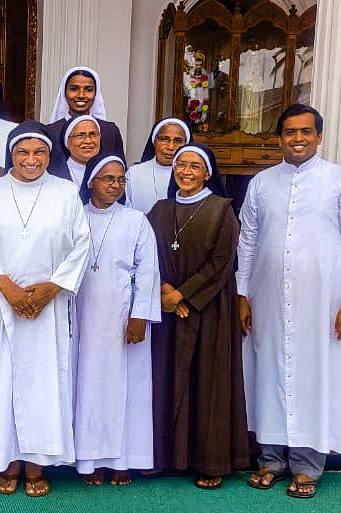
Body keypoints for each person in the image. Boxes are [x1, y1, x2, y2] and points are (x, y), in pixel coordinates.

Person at [238, 104, 341, 499]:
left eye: (306, 132)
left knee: (315, 375)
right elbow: (247, 241)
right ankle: (272, 459)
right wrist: (242, 293)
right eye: (290, 132)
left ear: (319, 136)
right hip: (268, 299)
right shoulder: (262, 183)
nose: (298, 139)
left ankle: (308, 465)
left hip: (324, 304)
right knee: (269, 372)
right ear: (279, 138)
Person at [0, 122, 89, 497]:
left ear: (50, 156)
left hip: (47, 308)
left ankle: (36, 463)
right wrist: (8, 289)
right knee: (0, 384)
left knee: (43, 385)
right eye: (23, 152)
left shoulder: (67, 194)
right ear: (11, 154)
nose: (31, 160)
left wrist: (49, 289)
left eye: (39, 153)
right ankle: (6, 460)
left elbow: (80, 247)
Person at [145, 143, 249, 490]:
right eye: (180, 165)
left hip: (209, 310)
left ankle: (209, 461)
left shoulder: (222, 210)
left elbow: (222, 264)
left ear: (207, 173)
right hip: (167, 311)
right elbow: (145, 255)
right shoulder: (160, 210)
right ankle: (166, 457)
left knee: (207, 381)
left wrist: (183, 294)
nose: (186, 171)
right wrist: (163, 292)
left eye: (194, 165)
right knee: (165, 379)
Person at [73, 153, 160, 486]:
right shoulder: (75, 217)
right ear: (91, 181)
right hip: (82, 317)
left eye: (121, 179)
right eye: (108, 179)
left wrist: (140, 315)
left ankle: (122, 459)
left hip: (123, 320)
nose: (116, 185)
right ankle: (89, 459)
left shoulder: (136, 220)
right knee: (87, 387)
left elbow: (148, 271)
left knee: (126, 388)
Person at [43, 66, 125, 166]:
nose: (81, 95)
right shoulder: (50, 132)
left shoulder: (110, 131)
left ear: (96, 94)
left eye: (88, 89)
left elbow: (119, 170)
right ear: (64, 93)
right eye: (74, 89)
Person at [127, 118, 192, 213]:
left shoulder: (194, 176)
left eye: (178, 141)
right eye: (164, 139)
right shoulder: (134, 173)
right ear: (154, 141)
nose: (171, 147)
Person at [48, 114, 102, 184]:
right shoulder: (55, 175)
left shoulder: (110, 172)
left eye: (93, 134)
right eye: (80, 135)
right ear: (67, 141)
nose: (88, 141)